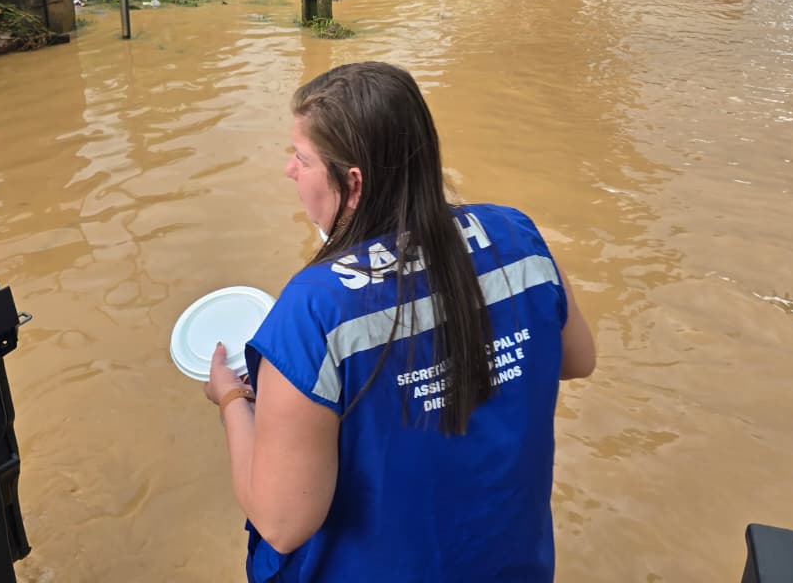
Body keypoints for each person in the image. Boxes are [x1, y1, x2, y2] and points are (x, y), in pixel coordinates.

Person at [204, 62, 596, 582]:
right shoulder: (516, 234)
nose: (290, 171)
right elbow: (577, 359)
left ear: (353, 183)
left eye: (301, 158)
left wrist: (232, 400)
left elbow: (281, 522)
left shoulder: (313, 309)